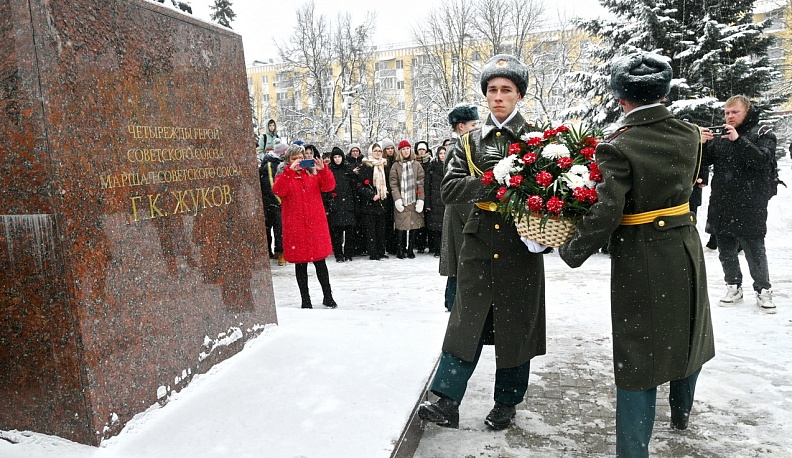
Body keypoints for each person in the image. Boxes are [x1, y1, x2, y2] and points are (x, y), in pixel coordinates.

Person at [557, 52, 715, 457]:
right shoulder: (689, 134)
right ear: (664, 91)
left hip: (642, 254)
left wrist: (571, 248)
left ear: (621, 97)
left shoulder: (619, 145)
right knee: (688, 331)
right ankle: (681, 411)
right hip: (684, 246)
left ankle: (632, 450)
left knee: (638, 351)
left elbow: (609, 209)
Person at [418, 54, 549, 430]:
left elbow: (554, 191)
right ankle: (446, 401)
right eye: (492, 90)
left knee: (515, 326)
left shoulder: (537, 140)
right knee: (466, 323)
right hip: (476, 243)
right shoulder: (469, 141)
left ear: (519, 95)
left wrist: (543, 235)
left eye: (506, 90)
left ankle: (506, 403)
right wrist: (494, 179)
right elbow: (449, 189)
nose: (498, 96)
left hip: (521, 243)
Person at [701, 95, 778, 313]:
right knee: (725, 248)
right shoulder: (722, 136)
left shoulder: (762, 132)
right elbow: (705, 162)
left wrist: (739, 140)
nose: (730, 116)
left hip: (751, 201)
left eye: (735, 112)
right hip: (722, 201)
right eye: (726, 112)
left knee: (754, 248)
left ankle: (763, 289)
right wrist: (703, 145)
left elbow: (762, 159)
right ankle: (733, 285)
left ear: (746, 112)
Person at [272, 144, 338, 309]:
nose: (299, 161)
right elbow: (278, 191)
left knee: (320, 263)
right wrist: (289, 172)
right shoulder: (284, 176)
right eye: (295, 159)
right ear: (288, 161)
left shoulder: (312, 174)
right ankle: (305, 300)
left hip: (315, 225)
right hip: (296, 227)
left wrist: (323, 170)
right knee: (300, 265)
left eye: (301, 158)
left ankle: (328, 297)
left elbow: (329, 187)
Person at [439, 103, 480, 312]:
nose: (477, 128)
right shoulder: (457, 150)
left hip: (461, 213)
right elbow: (456, 188)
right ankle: (454, 304)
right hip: (460, 214)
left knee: (460, 263)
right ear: (461, 127)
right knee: (460, 263)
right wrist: (473, 216)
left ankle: (454, 302)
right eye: (474, 125)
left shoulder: (465, 147)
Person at [389, 140, 425, 259]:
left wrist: (420, 199)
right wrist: (397, 199)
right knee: (401, 227)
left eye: (407, 149)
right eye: (403, 149)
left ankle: (410, 250)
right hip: (402, 199)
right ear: (400, 151)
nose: (406, 151)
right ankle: (400, 249)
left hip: (413, 198)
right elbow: (393, 184)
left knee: (414, 226)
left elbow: (420, 182)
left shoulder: (417, 165)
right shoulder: (396, 165)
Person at [357, 143, 390, 260]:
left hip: (382, 201)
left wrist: (385, 192)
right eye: (375, 151)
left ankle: (381, 251)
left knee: (381, 229)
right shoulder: (366, 166)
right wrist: (371, 195)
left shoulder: (384, 165)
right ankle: (373, 252)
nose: (378, 153)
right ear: (371, 152)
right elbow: (360, 186)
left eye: (380, 151)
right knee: (371, 229)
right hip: (370, 203)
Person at [324, 147, 358, 262]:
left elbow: (354, 187)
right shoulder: (329, 170)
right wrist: (328, 204)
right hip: (335, 204)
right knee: (336, 233)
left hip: (348, 204)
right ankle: (338, 254)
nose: (337, 159)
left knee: (349, 231)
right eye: (335, 157)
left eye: (339, 157)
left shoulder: (348, 169)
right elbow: (326, 189)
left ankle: (348, 253)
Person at [259, 142, 288, 266]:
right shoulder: (271, 165)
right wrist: (280, 201)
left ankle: (277, 251)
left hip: (274, 201)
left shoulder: (277, 164)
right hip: (272, 202)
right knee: (277, 228)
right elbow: (272, 185)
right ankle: (279, 252)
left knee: (278, 228)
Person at [424, 145, 446, 257]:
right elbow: (427, 185)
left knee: (445, 227)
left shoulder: (450, 167)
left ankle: (444, 250)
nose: (442, 156)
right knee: (436, 228)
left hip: (446, 200)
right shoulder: (432, 167)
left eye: (444, 153)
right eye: (440, 153)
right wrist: (427, 202)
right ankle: (437, 249)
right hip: (435, 200)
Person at [380, 138, 399, 255]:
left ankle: (395, 245)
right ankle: (389, 245)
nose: (390, 150)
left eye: (392, 148)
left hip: (395, 193)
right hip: (386, 194)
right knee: (388, 222)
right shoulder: (382, 163)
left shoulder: (397, 161)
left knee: (397, 221)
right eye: (388, 148)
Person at [413, 141, 432, 253]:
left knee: (428, 219)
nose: (421, 152)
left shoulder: (430, 162)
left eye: (423, 150)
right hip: (417, 192)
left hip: (428, 192)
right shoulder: (414, 162)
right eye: (419, 150)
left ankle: (428, 243)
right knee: (418, 220)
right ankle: (419, 243)